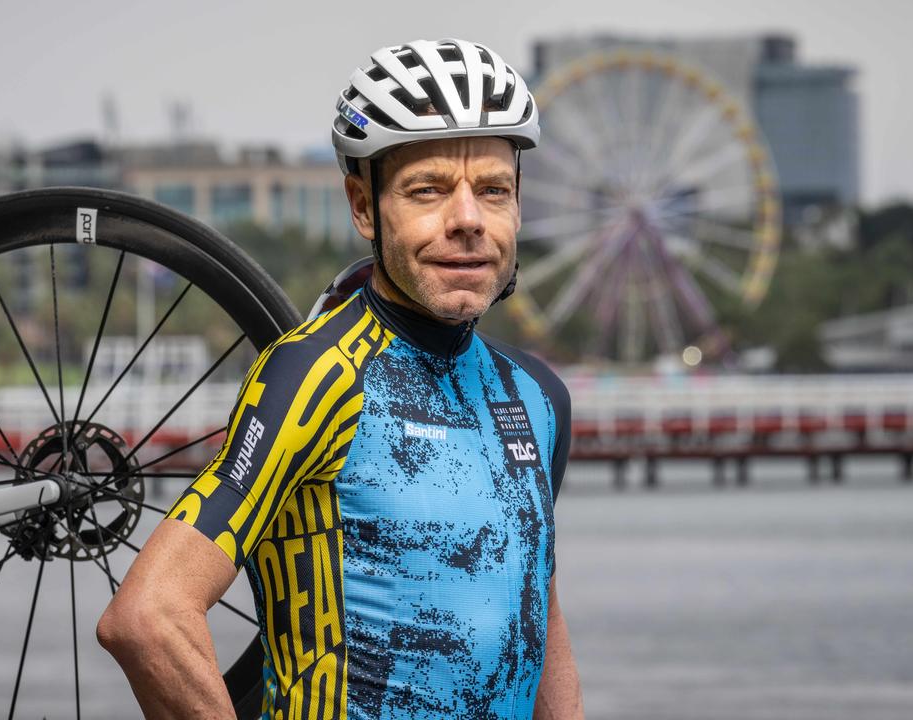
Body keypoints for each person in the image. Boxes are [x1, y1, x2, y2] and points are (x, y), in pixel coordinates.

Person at [97, 37, 584, 720]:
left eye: (493, 191)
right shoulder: (317, 374)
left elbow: (537, 611)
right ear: (363, 207)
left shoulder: (536, 398)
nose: (469, 220)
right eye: (429, 191)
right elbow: (148, 617)